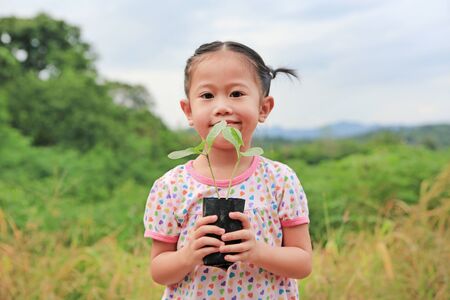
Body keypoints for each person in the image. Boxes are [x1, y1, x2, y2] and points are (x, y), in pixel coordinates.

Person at [143, 41, 312, 300]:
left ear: (263, 108)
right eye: (207, 96)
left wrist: (257, 251)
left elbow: (302, 263)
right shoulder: (170, 186)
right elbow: (159, 270)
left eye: (236, 94)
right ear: (188, 110)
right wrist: (188, 255)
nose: (221, 106)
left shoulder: (280, 180)